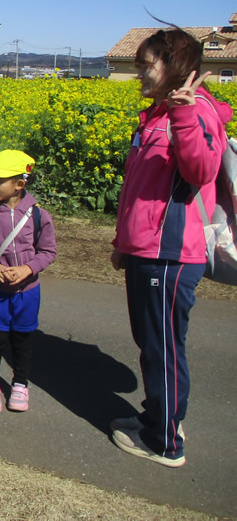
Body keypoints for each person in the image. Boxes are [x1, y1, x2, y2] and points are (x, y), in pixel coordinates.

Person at [110, 28, 231, 468]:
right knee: (153, 342)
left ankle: (164, 442)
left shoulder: (194, 111)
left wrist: (182, 115)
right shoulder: (158, 116)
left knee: (162, 347)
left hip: (170, 253)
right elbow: (138, 191)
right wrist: (123, 243)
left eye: (147, 63)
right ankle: (159, 417)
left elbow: (200, 171)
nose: (140, 71)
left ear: (176, 66)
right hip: (147, 249)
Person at [0, 149, 56, 413]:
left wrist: (27, 269)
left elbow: (48, 252)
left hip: (27, 291)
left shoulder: (40, 216)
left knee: (22, 341)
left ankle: (20, 384)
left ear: (19, 184)